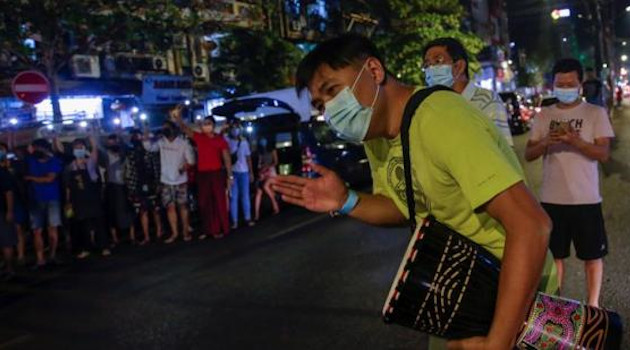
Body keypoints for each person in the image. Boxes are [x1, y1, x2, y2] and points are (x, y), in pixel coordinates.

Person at [272, 34, 558, 350]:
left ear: (374, 71)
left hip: (512, 292)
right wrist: (345, 200)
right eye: (319, 104)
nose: (329, 109)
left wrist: (498, 343)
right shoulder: (376, 135)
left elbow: (532, 225)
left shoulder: (440, 117)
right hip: (458, 291)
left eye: (332, 91)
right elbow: (405, 206)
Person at [525, 58, 614, 307]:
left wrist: (575, 141)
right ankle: (554, 306)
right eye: (560, 83)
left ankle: (593, 306)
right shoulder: (544, 115)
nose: (565, 87)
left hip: (586, 199)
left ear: (580, 84)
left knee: (593, 256)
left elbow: (603, 153)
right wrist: (546, 142)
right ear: (553, 84)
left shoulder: (595, 113)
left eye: (570, 83)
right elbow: (529, 154)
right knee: (555, 258)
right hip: (552, 199)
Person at [422, 37, 513, 146]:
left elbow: (504, 149)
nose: (431, 69)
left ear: (459, 66)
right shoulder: (431, 106)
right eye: (427, 65)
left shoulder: (486, 101)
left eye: (438, 61)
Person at [173, 108, 233, 239]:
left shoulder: (220, 140)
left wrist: (230, 175)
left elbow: (227, 158)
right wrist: (178, 119)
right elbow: (185, 129)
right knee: (204, 203)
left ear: (213, 126)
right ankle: (208, 230)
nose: (205, 126)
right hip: (203, 174)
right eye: (204, 124)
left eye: (208, 124)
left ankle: (221, 228)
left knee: (218, 201)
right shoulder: (199, 138)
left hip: (216, 173)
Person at [144, 119, 195, 244]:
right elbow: (149, 148)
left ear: (173, 129)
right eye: (163, 128)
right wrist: (145, 132)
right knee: (170, 208)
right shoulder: (161, 142)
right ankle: (174, 233)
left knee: (182, 206)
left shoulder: (183, 143)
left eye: (167, 128)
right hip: (166, 180)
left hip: (181, 180)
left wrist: (184, 167)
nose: (165, 130)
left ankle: (185, 232)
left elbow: (191, 161)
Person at [64, 136, 111, 258]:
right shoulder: (70, 166)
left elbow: (94, 154)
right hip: (78, 200)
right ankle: (86, 248)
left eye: (81, 147)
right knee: (83, 225)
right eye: (76, 148)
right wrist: (68, 201)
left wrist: (93, 142)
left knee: (99, 223)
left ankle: (104, 247)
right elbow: (68, 185)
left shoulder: (90, 162)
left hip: (92, 197)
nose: (78, 150)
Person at [25, 138, 63, 268]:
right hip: (36, 199)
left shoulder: (54, 161)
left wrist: (32, 178)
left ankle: (52, 256)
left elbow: (49, 179)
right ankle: (40, 258)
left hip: (51, 198)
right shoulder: (30, 161)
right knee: (37, 230)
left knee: (52, 228)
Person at [124, 129, 163, 245]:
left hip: (150, 182)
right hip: (138, 185)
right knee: (143, 211)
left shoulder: (149, 152)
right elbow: (129, 172)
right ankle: (147, 236)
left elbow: (156, 168)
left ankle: (159, 232)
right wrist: (131, 188)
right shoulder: (130, 154)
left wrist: (158, 183)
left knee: (154, 209)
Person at [101, 134, 134, 246]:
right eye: (110, 143)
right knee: (112, 212)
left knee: (128, 210)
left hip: (124, 186)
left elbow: (127, 145)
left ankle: (132, 236)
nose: (112, 145)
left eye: (114, 142)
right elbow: (98, 147)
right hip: (112, 186)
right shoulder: (106, 155)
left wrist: (120, 133)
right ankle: (115, 238)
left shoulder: (123, 154)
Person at [227, 123, 255, 229]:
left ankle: (247, 218)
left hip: (244, 172)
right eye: (233, 128)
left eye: (236, 128)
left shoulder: (244, 142)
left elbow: (248, 158)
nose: (235, 130)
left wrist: (251, 172)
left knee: (245, 196)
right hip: (233, 173)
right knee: (234, 197)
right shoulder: (227, 141)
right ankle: (234, 221)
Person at [0, 143, 18, 280]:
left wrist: (9, 211)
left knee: (6, 241)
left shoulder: (3, 173)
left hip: (3, 211)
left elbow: (9, 193)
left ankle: (9, 269)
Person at [254, 137, 280, 222]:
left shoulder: (272, 150)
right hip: (263, 171)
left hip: (271, 171)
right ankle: (256, 214)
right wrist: (261, 171)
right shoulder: (261, 152)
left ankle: (275, 205)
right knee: (259, 191)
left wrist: (267, 168)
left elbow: (275, 162)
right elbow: (259, 163)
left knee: (266, 186)